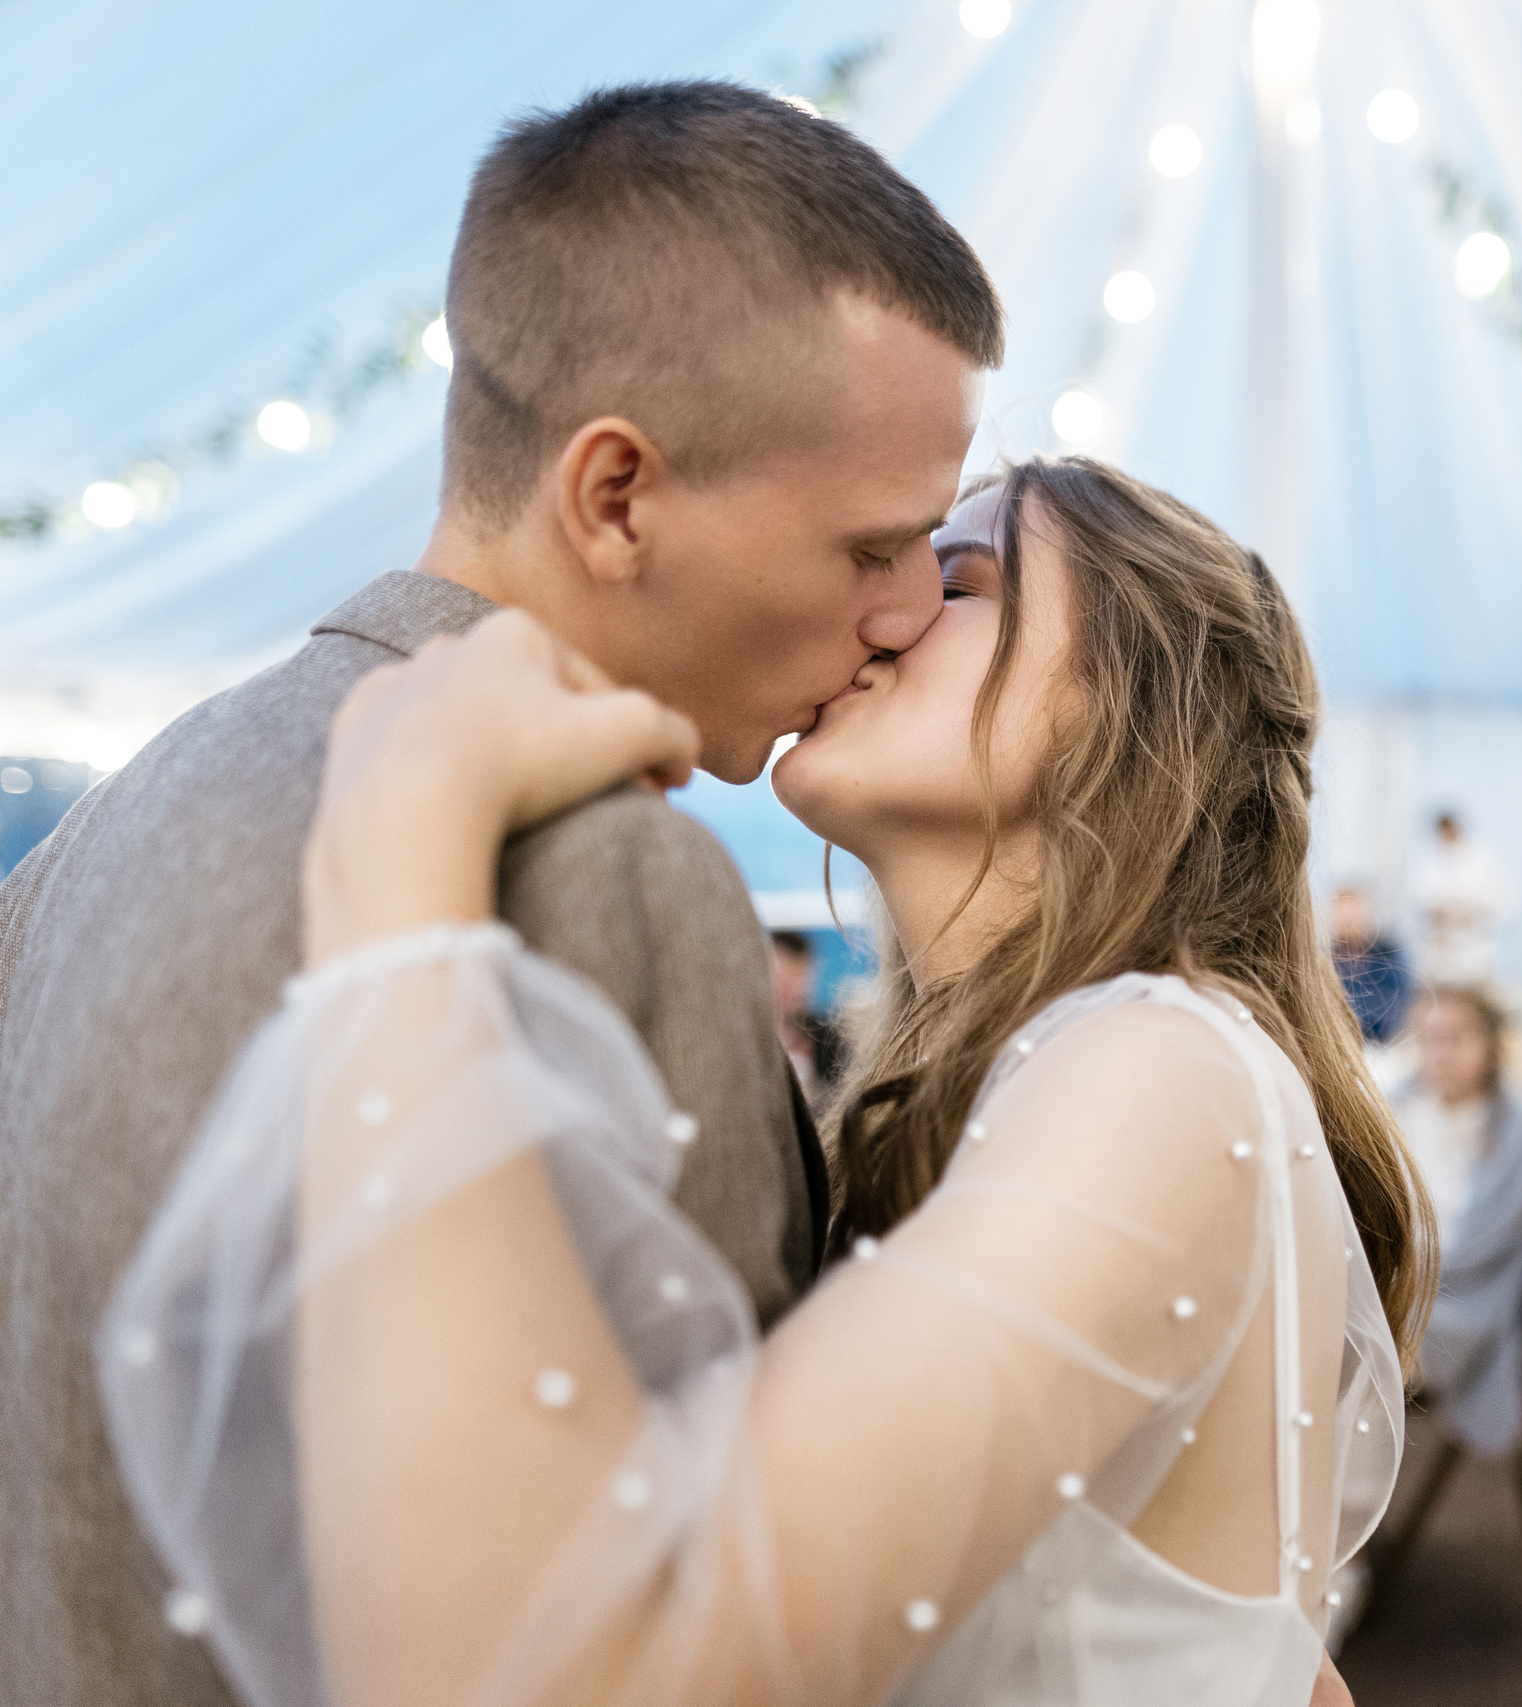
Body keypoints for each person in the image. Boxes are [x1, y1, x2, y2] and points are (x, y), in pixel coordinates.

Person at [99, 459, 1422, 1706]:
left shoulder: (1159, 1064)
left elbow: (592, 1660)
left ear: (1139, 694)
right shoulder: (1090, 1082)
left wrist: (403, 853)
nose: (891, 609)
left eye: (959, 581)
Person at [0, 82, 1001, 1707]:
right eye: (871, 547)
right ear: (614, 496)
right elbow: (687, 1622)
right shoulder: (599, 873)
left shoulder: (96, 839)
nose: (903, 613)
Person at [1394, 987, 1522, 1457]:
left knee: (1318, 1349)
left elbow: (1484, 1250)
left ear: (1491, 1044)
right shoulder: (1392, 1109)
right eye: (1427, 1038)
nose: (1439, 1053)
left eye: (1455, 1038)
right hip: (1395, 1276)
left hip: (1465, 1299)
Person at [1414, 811, 1512, 985]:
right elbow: (1421, 901)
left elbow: (1503, 903)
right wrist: (1439, 910)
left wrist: (1467, 910)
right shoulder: (1430, 863)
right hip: (1440, 952)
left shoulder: (1483, 862)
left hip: (1474, 952)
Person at [1329, 885, 1414, 1044]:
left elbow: (1400, 1009)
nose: (1349, 922)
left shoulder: (1389, 959)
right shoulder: (1323, 962)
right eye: (1343, 915)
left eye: (1354, 916)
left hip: (1384, 1046)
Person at [771, 929, 851, 1097]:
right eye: (785, 980)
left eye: (801, 978)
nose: (796, 989)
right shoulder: (751, 1041)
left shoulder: (827, 1037)